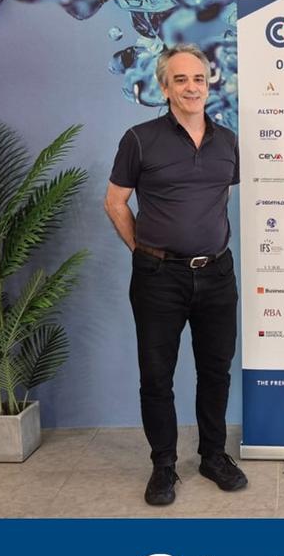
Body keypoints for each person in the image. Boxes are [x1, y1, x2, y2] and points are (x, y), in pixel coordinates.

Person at [103, 43, 247, 506]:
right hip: (158, 277)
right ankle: (163, 465)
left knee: (216, 371)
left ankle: (213, 456)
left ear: (209, 84)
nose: (191, 87)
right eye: (180, 79)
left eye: (198, 79)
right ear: (164, 88)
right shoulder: (139, 139)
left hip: (217, 274)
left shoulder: (228, 141)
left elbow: (219, 196)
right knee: (156, 376)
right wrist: (143, 251)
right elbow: (115, 202)